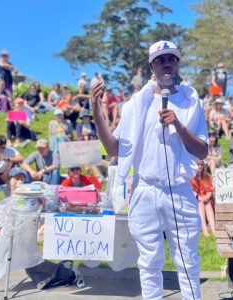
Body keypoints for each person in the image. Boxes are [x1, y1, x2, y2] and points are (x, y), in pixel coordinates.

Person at [92, 40, 208, 299]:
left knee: (187, 260)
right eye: (160, 60)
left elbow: (202, 151)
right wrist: (98, 115)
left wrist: (178, 124)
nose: (167, 64)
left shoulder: (190, 100)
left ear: (177, 63)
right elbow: (114, 150)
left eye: (172, 59)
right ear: (151, 65)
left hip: (179, 190)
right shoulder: (136, 104)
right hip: (145, 190)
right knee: (149, 261)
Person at [190, 161, 215, 237]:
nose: (200, 166)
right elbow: (193, 192)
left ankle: (214, 230)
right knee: (200, 203)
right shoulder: (191, 177)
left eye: (201, 165)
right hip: (195, 200)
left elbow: (210, 191)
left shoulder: (207, 177)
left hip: (207, 200)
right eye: (198, 165)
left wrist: (205, 198)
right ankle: (204, 229)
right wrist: (200, 198)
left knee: (207, 203)